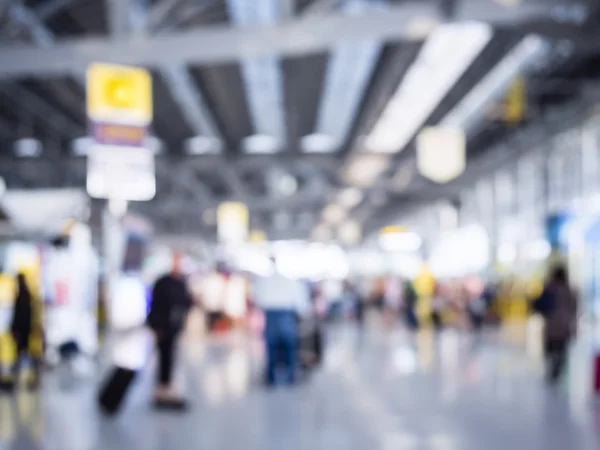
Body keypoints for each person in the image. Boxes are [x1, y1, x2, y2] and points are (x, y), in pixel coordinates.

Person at [253, 257, 309, 387]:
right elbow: (301, 304)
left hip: (271, 316)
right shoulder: (290, 281)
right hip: (287, 315)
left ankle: (271, 378)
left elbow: (258, 300)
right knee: (290, 348)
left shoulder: (264, 281)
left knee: (270, 348)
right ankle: (290, 377)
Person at [147, 252, 192, 408]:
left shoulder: (181, 283)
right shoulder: (162, 283)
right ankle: (161, 389)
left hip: (174, 327)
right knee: (163, 358)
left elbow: (186, 303)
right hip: (162, 327)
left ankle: (166, 388)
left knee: (170, 358)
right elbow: (155, 305)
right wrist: (156, 325)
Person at [534, 265, 577, 384]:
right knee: (562, 349)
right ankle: (557, 370)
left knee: (550, 348)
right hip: (564, 324)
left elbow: (541, 304)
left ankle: (552, 370)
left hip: (551, 323)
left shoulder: (549, 288)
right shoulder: (569, 289)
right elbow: (574, 309)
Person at [9, 273, 36, 390]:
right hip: (25, 330)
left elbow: (20, 316)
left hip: (23, 330)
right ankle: (26, 379)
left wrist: (15, 329)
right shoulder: (25, 295)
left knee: (23, 355)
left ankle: (25, 379)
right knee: (24, 355)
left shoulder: (22, 296)